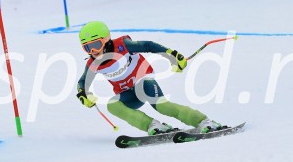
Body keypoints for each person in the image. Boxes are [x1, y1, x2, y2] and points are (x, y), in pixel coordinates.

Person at [75, 21, 225, 135]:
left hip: (143, 81)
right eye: (87, 47)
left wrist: (172, 55)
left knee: (162, 106)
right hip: (129, 94)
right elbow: (83, 82)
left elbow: (148, 45)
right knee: (112, 105)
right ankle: (153, 125)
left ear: (107, 40)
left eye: (96, 44)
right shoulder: (93, 63)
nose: (93, 51)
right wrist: (83, 94)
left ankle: (204, 121)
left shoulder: (123, 46)